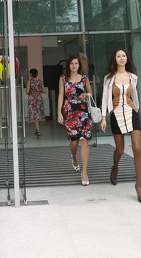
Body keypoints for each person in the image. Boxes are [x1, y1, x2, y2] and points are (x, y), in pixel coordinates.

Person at [100, 48, 141, 204]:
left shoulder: (133, 77)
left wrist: (137, 109)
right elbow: (105, 97)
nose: (121, 58)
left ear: (127, 58)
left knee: (137, 148)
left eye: (123, 55)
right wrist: (103, 117)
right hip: (116, 113)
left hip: (131, 112)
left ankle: (138, 185)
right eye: (118, 56)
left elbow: (134, 95)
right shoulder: (109, 78)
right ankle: (115, 168)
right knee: (120, 149)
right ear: (115, 59)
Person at [57, 55, 93, 185]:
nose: (74, 66)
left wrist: (86, 94)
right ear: (68, 65)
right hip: (70, 112)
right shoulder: (63, 78)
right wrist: (59, 112)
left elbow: (90, 93)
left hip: (83, 112)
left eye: (76, 63)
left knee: (84, 141)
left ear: (79, 65)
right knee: (74, 143)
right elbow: (61, 95)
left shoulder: (84, 78)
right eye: (72, 63)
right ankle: (73, 156)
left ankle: (84, 172)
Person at [25, 68, 45, 137]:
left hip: (32, 99)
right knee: (37, 114)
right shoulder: (40, 81)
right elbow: (44, 90)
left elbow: (27, 91)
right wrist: (38, 91)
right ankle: (36, 130)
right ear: (37, 74)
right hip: (39, 98)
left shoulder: (29, 81)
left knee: (34, 115)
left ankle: (38, 131)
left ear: (30, 74)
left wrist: (27, 91)